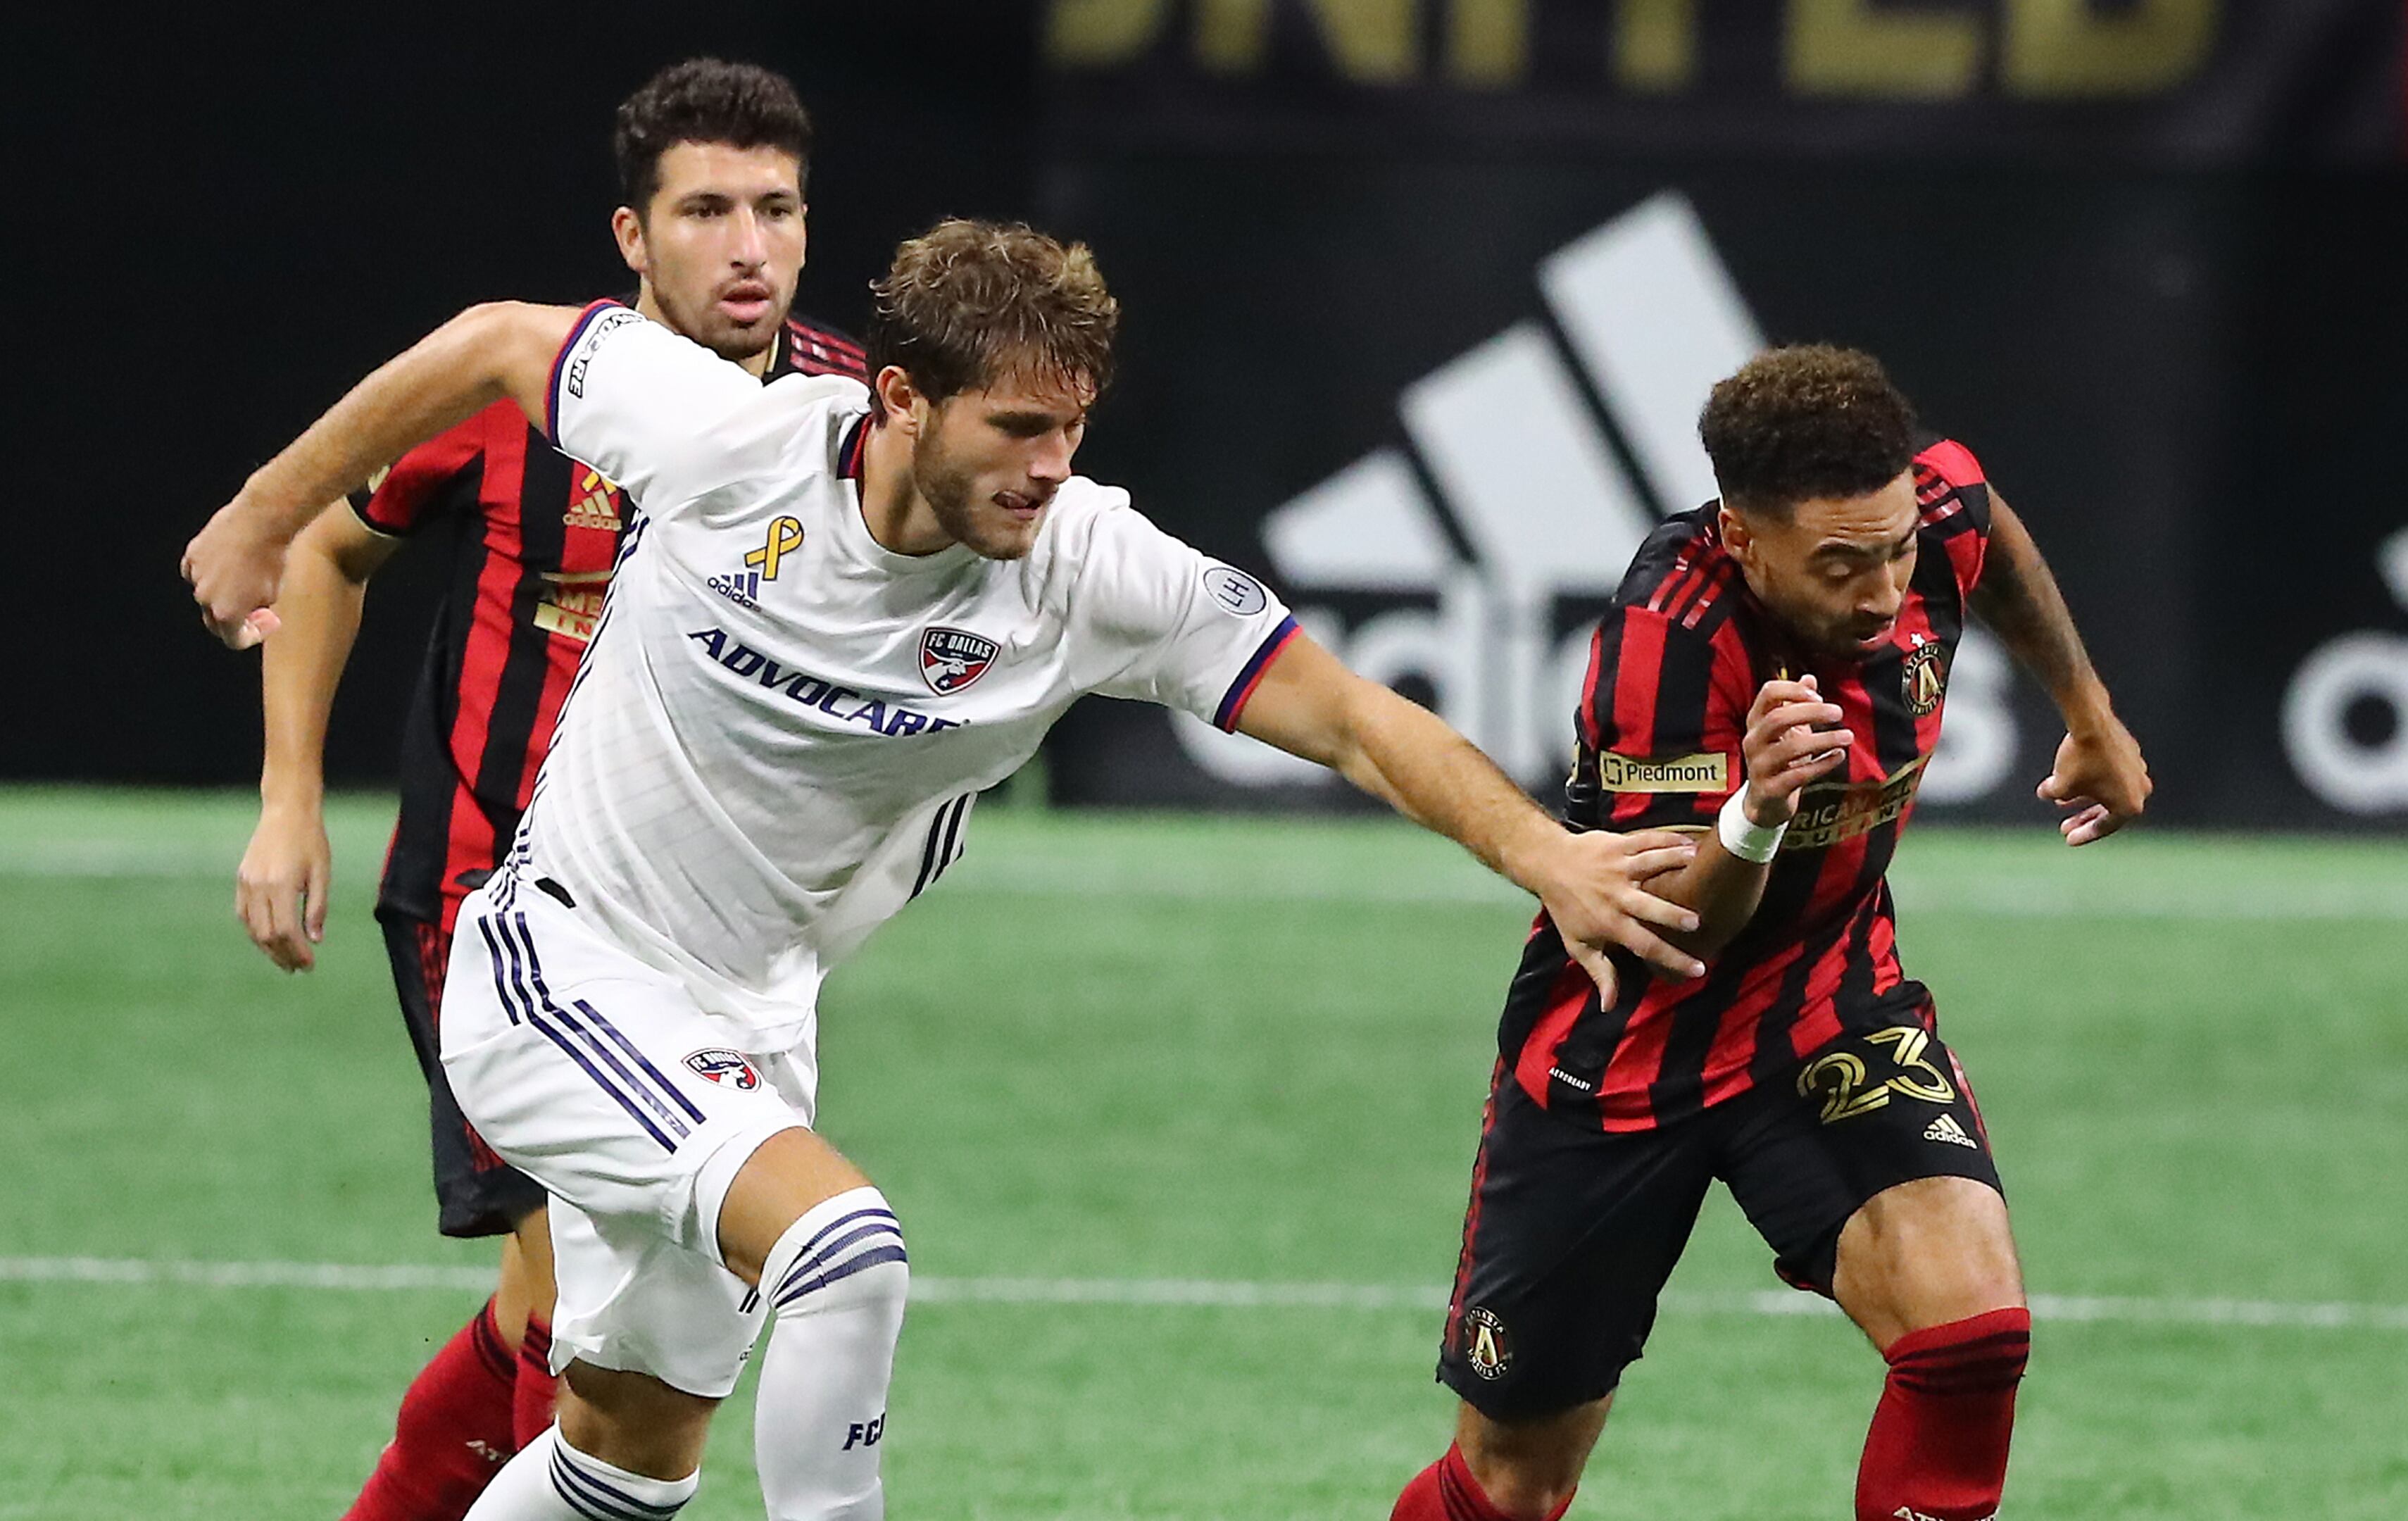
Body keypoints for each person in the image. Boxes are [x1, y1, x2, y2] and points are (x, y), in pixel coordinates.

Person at [182, 218, 1707, 1520]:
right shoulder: (732, 444)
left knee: (630, 1459)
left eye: (1074, 430)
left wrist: (1547, 855)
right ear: (901, 398)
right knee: (845, 1252)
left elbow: (1359, 720)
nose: (1053, 468)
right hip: (556, 973)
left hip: (749, 1024)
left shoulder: (1091, 568)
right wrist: (263, 513)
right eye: (1018, 430)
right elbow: (495, 340)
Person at [227, 58, 863, 1520]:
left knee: (582, 1301)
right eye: (706, 209)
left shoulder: (842, 419)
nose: (747, 243)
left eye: (775, 208)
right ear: (634, 239)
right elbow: (327, 550)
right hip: (485, 906)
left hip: (691, 934)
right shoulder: (533, 389)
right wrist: (287, 796)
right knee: (578, 1282)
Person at [1387, 344, 2152, 1521]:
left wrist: (2087, 712)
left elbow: (1984, 527)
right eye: (1841, 564)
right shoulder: (1668, 639)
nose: (1885, 590)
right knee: (1513, 1484)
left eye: (1895, 548)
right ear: (1745, 542)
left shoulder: (1923, 516)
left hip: (1827, 1002)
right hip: (1627, 1043)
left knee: (1970, 1336)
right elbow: (1669, 925)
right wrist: (1753, 818)